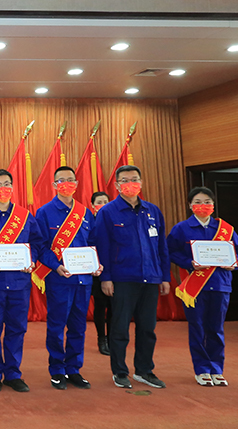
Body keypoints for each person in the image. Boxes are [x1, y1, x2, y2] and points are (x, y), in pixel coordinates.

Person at [94, 165, 171, 389]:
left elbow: (161, 247)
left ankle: (144, 370)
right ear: (117, 185)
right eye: (125, 180)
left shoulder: (153, 211)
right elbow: (102, 247)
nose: (130, 184)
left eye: (134, 179)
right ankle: (119, 371)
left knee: (147, 328)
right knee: (119, 328)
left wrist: (164, 276)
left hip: (150, 278)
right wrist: (106, 278)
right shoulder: (108, 212)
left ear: (141, 182)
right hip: (122, 279)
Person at [0, 169, 44, 393]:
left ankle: (13, 374)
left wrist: (31, 260)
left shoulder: (25, 216)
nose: (2, 188)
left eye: (6, 184)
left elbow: (37, 243)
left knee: (17, 330)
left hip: (19, 283)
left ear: (12, 187)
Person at [167, 186, 238, 387]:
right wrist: (189, 263)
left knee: (216, 329)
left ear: (213, 205)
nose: (203, 206)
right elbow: (170, 251)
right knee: (197, 328)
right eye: (198, 202)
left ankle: (217, 370)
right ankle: (202, 369)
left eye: (207, 202)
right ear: (190, 205)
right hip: (194, 288)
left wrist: (234, 263)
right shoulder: (181, 228)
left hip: (220, 285)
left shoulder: (225, 229)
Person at [36, 167, 102, 390]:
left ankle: (73, 369)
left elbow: (93, 243)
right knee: (56, 326)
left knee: (78, 327)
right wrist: (56, 266)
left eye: (70, 180)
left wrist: (96, 263)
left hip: (83, 280)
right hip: (59, 280)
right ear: (54, 185)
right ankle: (57, 369)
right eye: (61, 180)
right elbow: (41, 247)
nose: (66, 183)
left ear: (77, 183)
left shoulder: (85, 213)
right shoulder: (45, 213)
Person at [90, 191, 112, 356]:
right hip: (96, 270)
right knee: (100, 305)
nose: (103, 204)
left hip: (115, 269)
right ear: (92, 205)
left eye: (106, 201)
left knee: (114, 306)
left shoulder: (113, 219)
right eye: (99, 202)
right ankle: (101, 338)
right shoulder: (90, 221)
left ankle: (111, 339)